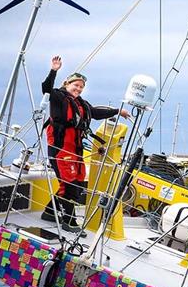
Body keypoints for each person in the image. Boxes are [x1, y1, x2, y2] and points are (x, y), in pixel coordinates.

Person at [41, 55, 130, 233]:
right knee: (70, 185)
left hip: (75, 150)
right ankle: (69, 222)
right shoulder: (58, 97)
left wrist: (118, 111)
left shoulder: (81, 104)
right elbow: (46, 88)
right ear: (67, 84)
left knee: (78, 182)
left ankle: (49, 212)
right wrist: (54, 70)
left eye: (81, 87)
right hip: (60, 149)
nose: (79, 89)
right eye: (76, 85)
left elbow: (95, 112)